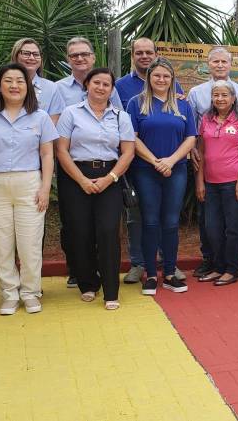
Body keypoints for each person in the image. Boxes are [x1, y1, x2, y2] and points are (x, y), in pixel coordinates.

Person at [0, 63, 58, 315]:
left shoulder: (40, 117)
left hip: (29, 183)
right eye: (8, 81)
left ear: (28, 86)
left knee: (30, 244)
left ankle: (30, 292)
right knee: (1, 244)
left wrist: (45, 188)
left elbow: (47, 154)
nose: (14, 85)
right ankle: (9, 293)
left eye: (20, 81)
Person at [56, 67, 135, 310]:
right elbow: (61, 150)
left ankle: (111, 290)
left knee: (109, 231)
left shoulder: (121, 117)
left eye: (106, 84)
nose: (101, 87)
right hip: (75, 176)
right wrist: (81, 180)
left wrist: (109, 178)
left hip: (110, 176)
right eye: (96, 83)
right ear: (87, 85)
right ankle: (88, 283)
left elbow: (128, 152)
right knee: (80, 232)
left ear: (112, 90)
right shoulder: (71, 113)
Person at [127, 57, 197, 296]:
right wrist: (155, 161)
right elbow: (132, 137)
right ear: (149, 78)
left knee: (171, 222)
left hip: (176, 170)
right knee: (150, 222)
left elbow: (190, 138)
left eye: (166, 76)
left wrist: (170, 161)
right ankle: (150, 274)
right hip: (146, 170)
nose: (161, 79)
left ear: (172, 79)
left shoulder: (182, 105)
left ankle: (169, 273)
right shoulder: (136, 103)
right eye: (157, 75)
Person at [187, 46, 238, 280]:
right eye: (215, 61)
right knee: (211, 227)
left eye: (223, 61)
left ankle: (231, 268)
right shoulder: (204, 114)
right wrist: (199, 181)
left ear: (233, 98)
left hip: (234, 179)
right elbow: (198, 143)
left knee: (233, 226)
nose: (220, 98)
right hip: (209, 180)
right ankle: (216, 265)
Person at [115, 38, 171, 285]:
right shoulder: (120, 87)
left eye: (149, 52)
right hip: (135, 163)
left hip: (169, 164)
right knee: (136, 215)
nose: (144, 56)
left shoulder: (169, 82)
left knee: (166, 214)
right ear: (132, 55)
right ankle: (138, 263)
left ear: (156, 54)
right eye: (139, 52)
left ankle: (164, 262)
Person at [0, 38, 65, 122]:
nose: (32, 58)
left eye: (36, 54)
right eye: (26, 53)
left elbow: (53, 122)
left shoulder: (51, 87)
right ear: (15, 56)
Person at [56, 37, 122, 108]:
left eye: (84, 54)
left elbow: (118, 113)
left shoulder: (106, 87)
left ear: (93, 58)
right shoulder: (57, 89)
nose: (80, 59)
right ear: (68, 60)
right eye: (74, 55)